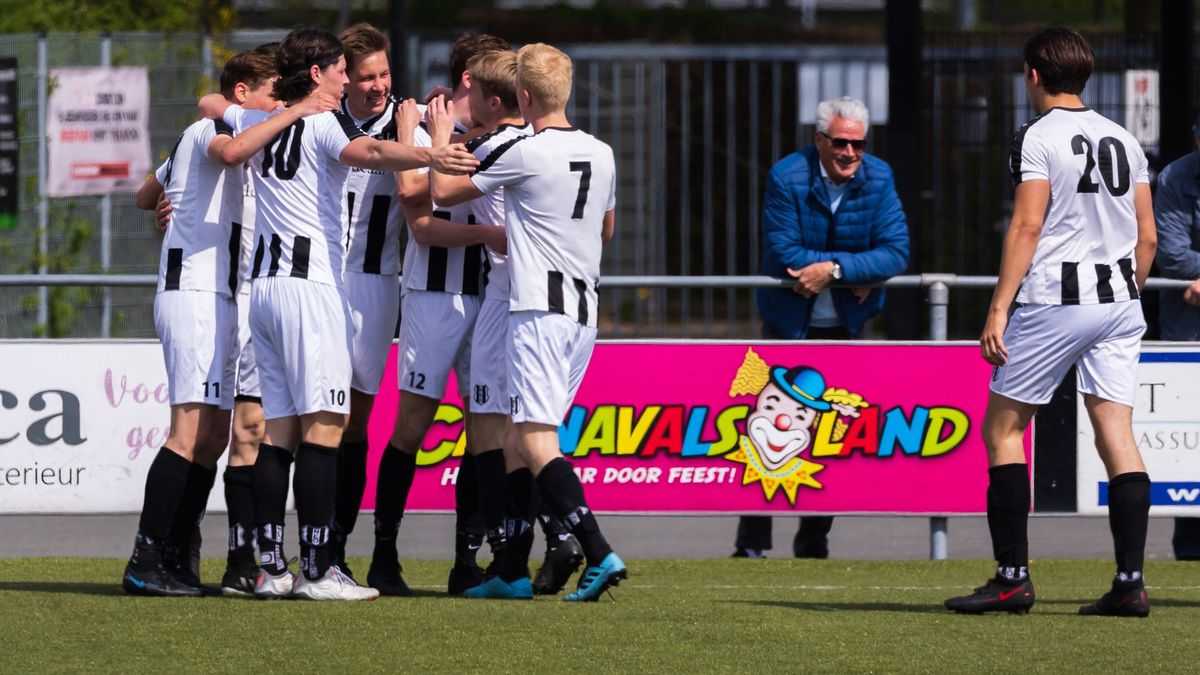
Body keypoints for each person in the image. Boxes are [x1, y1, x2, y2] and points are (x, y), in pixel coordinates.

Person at [205, 26, 478, 601]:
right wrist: (430, 151)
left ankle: (272, 567)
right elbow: (372, 152)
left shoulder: (259, 118)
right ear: (322, 74)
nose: (357, 81)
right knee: (327, 426)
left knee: (280, 430)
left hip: (269, 288)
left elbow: (217, 109)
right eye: (345, 71)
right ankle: (319, 569)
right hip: (313, 289)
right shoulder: (324, 121)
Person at [945, 27, 1156, 617]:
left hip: (1055, 301)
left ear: (1033, 74)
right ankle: (1130, 584)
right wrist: (1124, 293)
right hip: (1120, 302)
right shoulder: (1125, 138)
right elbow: (1147, 237)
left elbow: (1027, 225)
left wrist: (998, 306)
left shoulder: (1036, 136)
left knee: (1003, 431)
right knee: (1117, 435)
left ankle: (1012, 579)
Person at [125, 46, 333, 597]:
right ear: (241, 94)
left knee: (214, 436)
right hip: (193, 291)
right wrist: (299, 109)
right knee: (188, 432)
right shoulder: (213, 130)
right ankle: (146, 557)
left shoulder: (243, 137)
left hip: (222, 298)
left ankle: (177, 554)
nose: (279, 104)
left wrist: (170, 203)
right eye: (272, 94)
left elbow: (145, 194)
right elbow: (227, 148)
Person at [428, 42, 626, 602]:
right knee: (519, 439)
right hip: (584, 311)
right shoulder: (603, 152)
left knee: (536, 442)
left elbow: (442, 191)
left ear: (523, 95)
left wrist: (439, 138)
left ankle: (598, 552)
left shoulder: (528, 152)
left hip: (539, 309)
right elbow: (606, 229)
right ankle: (512, 568)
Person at [367, 33, 509, 597]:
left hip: (490, 298)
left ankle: (465, 561)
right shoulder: (425, 131)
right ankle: (384, 556)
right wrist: (492, 234)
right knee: (412, 427)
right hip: (432, 294)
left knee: (483, 431)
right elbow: (417, 212)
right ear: (471, 78)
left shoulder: (503, 136)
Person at [738, 95, 909, 559]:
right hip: (786, 322)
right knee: (761, 427)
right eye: (839, 142)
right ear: (818, 140)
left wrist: (836, 271)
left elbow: (896, 251)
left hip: (847, 326)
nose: (850, 153)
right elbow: (785, 251)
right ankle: (751, 544)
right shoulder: (786, 175)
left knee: (828, 434)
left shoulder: (880, 176)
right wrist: (856, 268)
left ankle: (813, 541)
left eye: (858, 144)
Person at [325, 22, 406, 581]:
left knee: (355, 422)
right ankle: (296, 548)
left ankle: (336, 547)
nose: (379, 86)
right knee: (317, 418)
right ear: (345, 78)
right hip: (321, 281)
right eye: (367, 77)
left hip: (376, 284)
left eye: (385, 74)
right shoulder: (320, 119)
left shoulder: (408, 121)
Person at [1149, 114, 1200, 563]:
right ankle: (1191, 547)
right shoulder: (1175, 177)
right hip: (1189, 329)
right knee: (1191, 435)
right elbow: (1173, 258)